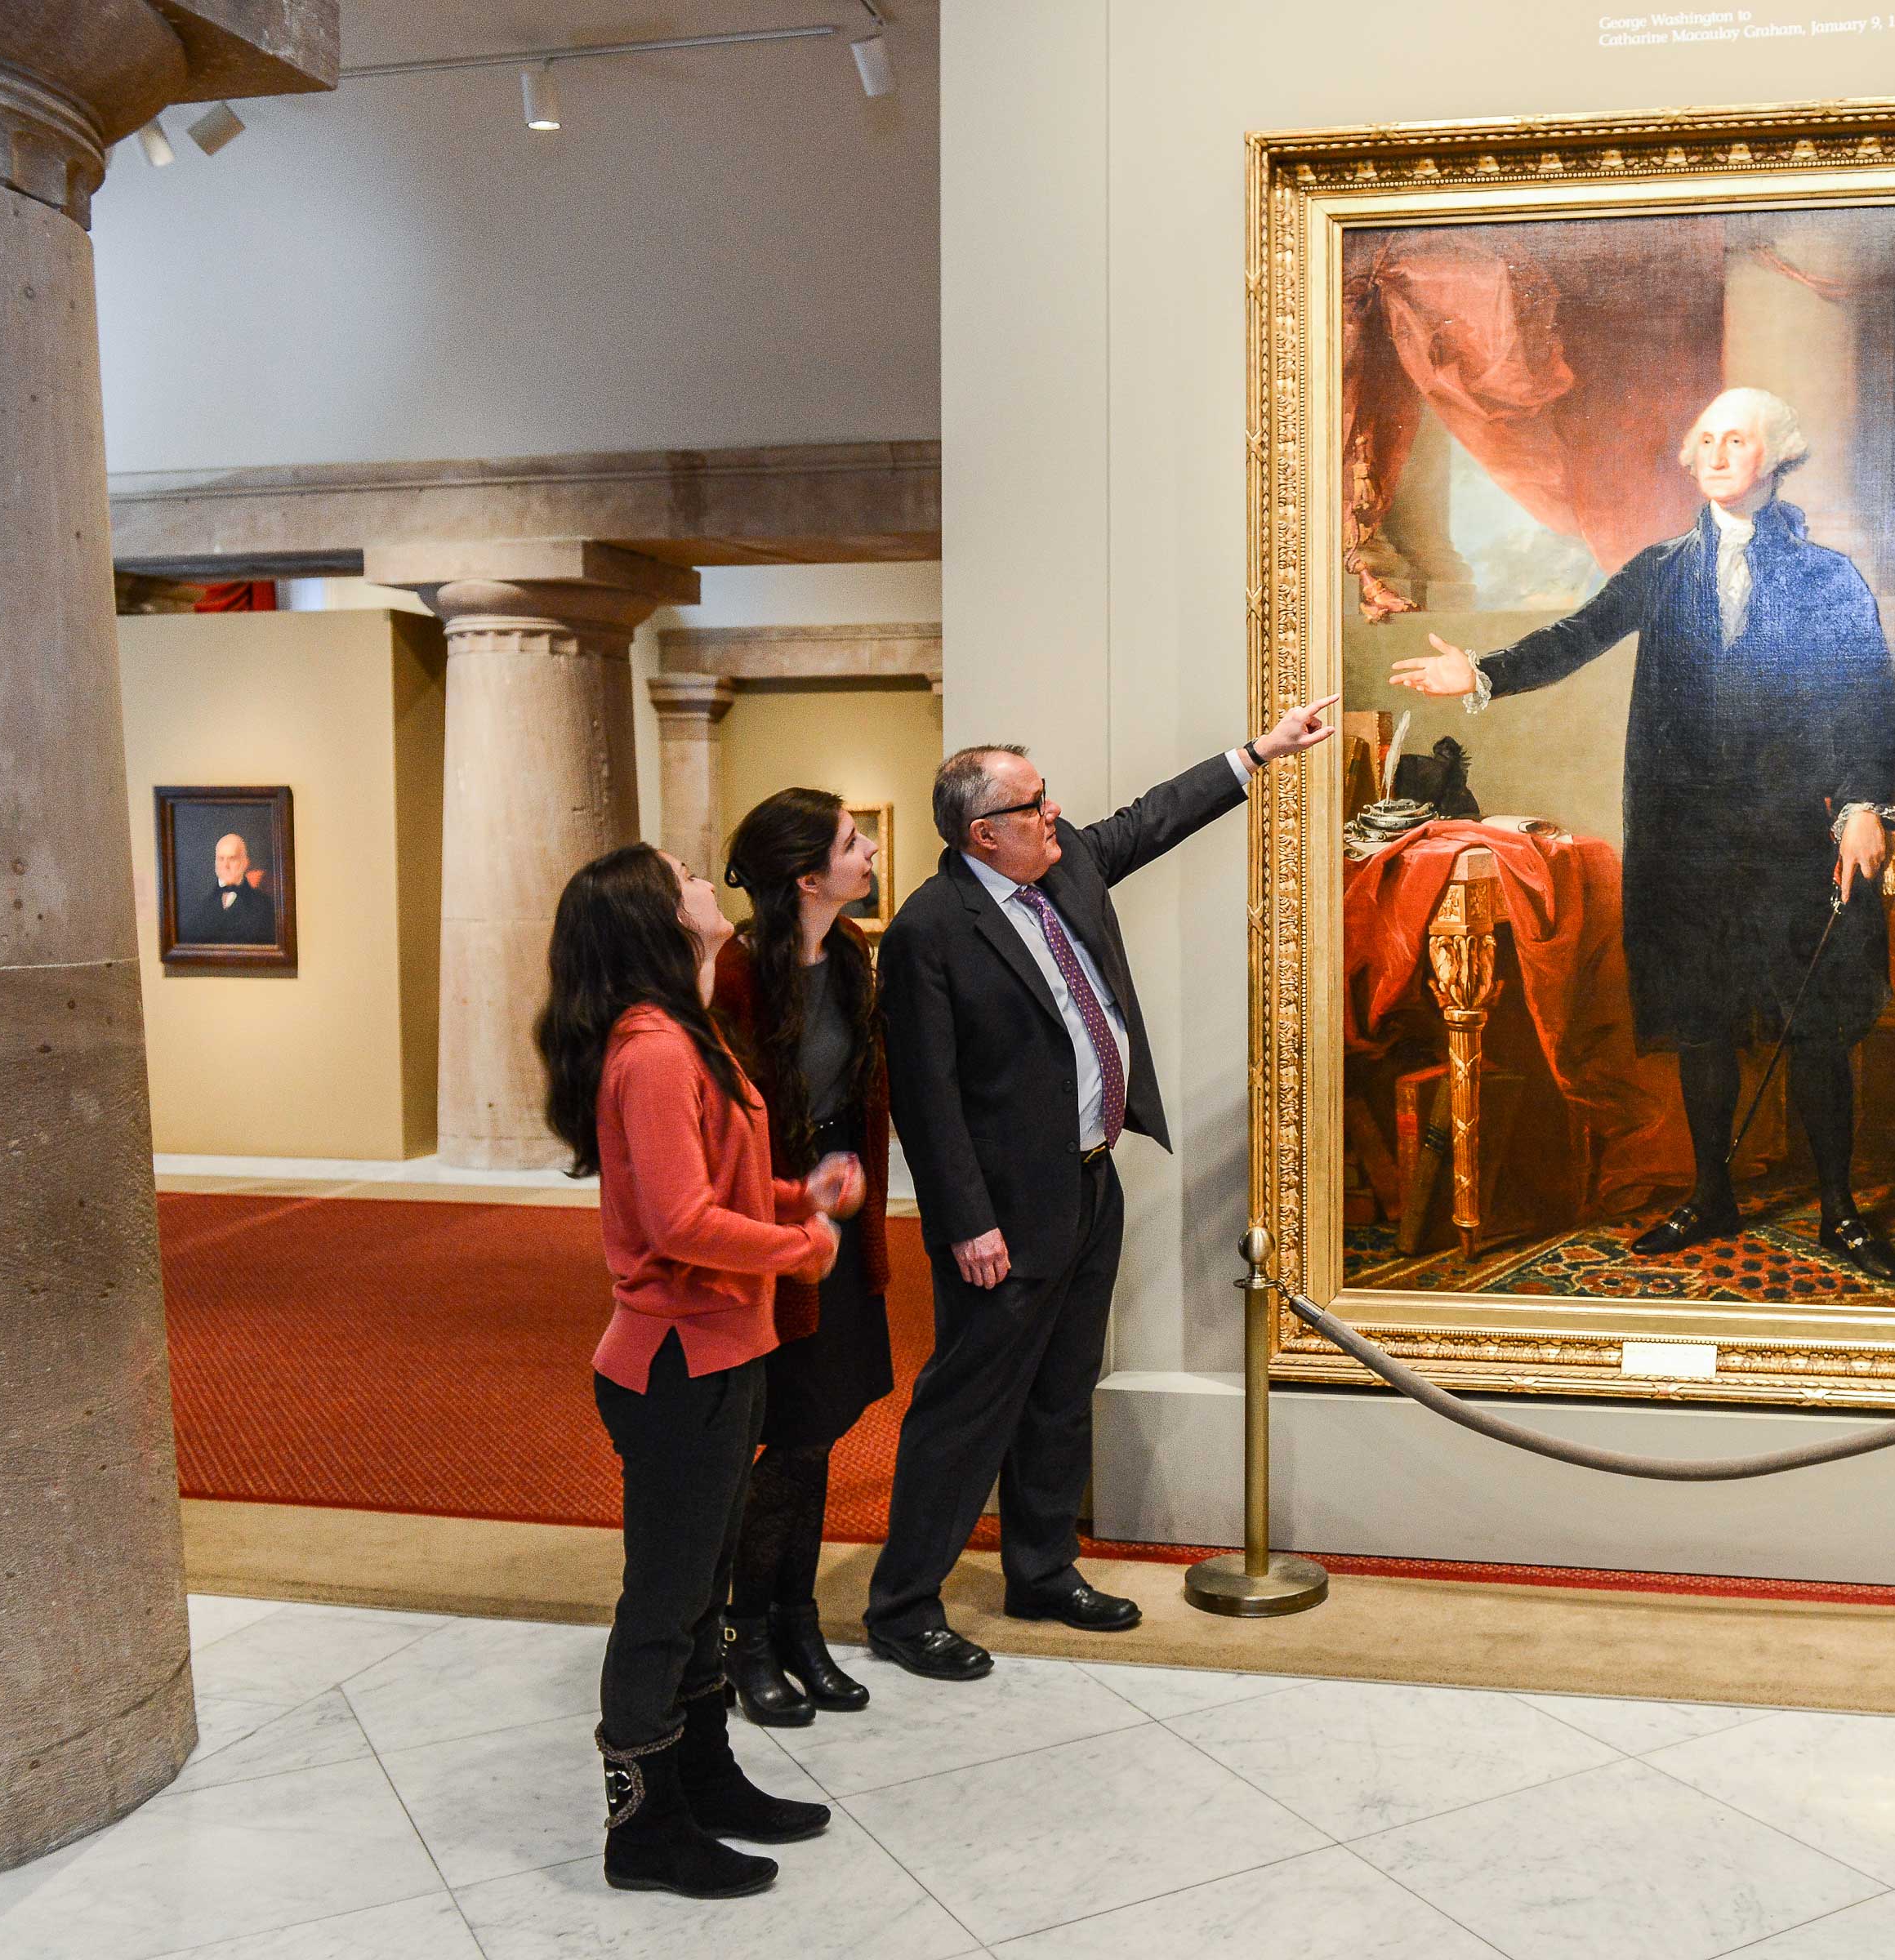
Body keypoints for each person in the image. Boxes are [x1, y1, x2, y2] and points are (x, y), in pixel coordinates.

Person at [1389, 385, 1895, 1280]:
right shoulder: (1661, 568)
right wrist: (1479, 672)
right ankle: (1713, 1193)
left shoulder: (1829, 579)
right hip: (1687, 835)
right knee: (1702, 1023)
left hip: (1795, 834)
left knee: (1818, 1025)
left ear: (1775, 456)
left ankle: (1839, 1209)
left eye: (1735, 439)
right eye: (1703, 437)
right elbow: (1575, 636)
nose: (1714, 453)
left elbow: (1869, 697)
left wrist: (1865, 806)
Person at [864, 701, 1340, 1682]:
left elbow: (1151, 819)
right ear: (982, 834)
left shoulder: (1064, 864)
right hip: (1001, 1216)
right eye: (1035, 806)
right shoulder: (930, 932)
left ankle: (1042, 1570)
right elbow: (925, 1098)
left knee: (1059, 1393)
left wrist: (1260, 752)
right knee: (967, 1410)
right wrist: (967, 1224)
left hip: (1088, 1182)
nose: (1057, 815)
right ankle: (904, 1606)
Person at [533, 841, 863, 1898]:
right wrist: (799, 1249)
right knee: (665, 1603)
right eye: (681, 876)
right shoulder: (656, 1051)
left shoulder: (685, 1031)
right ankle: (642, 1829)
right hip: (677, 1368)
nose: (701, 884)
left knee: (703, 1590)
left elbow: (711, 1182)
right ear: (651, 921)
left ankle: (707, 1780)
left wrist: (790, 1199)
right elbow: (676, 1223)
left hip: (724, 1351)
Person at [708, 790, 894, 1727]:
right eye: (854, 846)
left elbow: (860, 1084)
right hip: (776, 1229)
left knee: (816, 1429)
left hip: (840, 1215)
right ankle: (746, 1635)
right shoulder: (737, 975)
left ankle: (797, 1619)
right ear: (808, 878)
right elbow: (724, 1130)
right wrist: (794, 1208)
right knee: (786, 1435)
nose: (869, 856)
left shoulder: (853, 954)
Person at [184, 831, 277, 943]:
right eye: (221, 859)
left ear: (245, 863)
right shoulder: (199, 905)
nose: (225, 865)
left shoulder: (265, 906)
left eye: (232, 858)